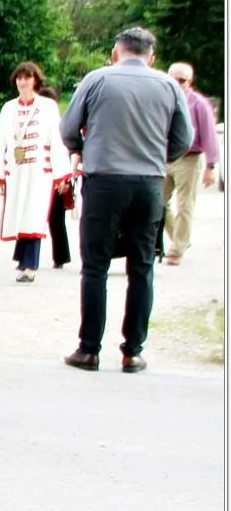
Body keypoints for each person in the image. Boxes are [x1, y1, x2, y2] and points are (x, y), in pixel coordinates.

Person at [59, 27, 191, 374]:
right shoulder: (168, 85)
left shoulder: (97, 79)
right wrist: (156, 156)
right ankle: (133, 350)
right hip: (148, 183)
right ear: (152, 57)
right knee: (142, 266)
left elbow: (68, 127)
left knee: (95, 268)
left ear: (116, 52)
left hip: (103, 181)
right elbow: (183, 139)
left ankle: (89, 349)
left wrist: (81, 149)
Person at [0, 63, 69, 284]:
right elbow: (1, 143)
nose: (23, 82)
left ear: (36, 81)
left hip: (39, 172)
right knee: (19, 213)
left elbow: (56, 140)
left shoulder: (48, 107)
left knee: (34, 215)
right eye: (20, 78)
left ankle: (31, 266)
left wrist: (61, 175)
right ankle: (23, 260)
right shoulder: (8, 108)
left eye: (28, 78)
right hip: (16, 169)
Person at [161, 62, 220, 265]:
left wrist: (211, 166)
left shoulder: (198, 103)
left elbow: (209, 135)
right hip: (164, 157)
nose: (177, 84)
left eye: (182, 80)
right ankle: (179, 239)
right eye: (173, 79)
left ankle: (177, 249)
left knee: (185, 204)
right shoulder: (161, 98)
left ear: (190, 82)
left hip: (189, 158)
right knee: (158, 203)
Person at [40, 85, 76, 269]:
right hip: (42, 174)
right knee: (44, 217)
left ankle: (61, 256)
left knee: (56, 218)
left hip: (57, 176)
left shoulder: (61, 126)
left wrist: (66, 178)